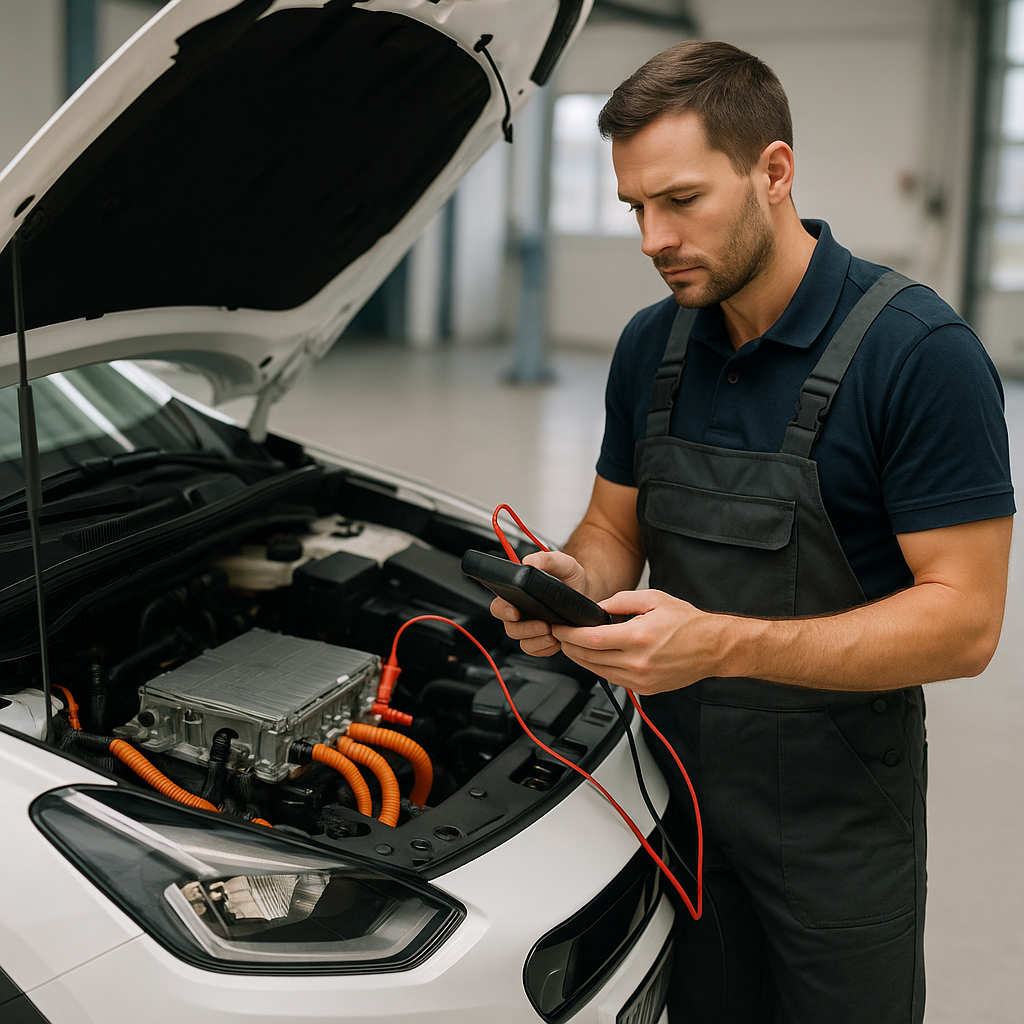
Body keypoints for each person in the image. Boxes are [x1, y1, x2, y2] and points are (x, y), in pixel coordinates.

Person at [490, 40, 1015, 1024]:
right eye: (635, 208)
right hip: (677, 805)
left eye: (680, 200)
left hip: (839, 829)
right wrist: (570, 576)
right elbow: (613, 527)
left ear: (773, 171)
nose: (652, 237)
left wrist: (720, 642)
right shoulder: (653, 347)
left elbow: (965, 624)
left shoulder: (920, 356)